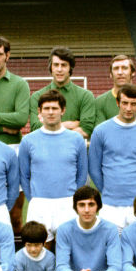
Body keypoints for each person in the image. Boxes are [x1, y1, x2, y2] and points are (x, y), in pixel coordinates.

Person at [18, 89, 89, 244]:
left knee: (68, 254)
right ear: (40, 111)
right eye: (46, 108)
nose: (50, 112)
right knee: (40, 254)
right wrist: (34, 199)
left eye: (55, 108)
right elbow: (24, 175)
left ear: (62, 110)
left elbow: (82, 174)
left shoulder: (76, 139)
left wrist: (72, 199)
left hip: (68, 203)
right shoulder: (28, 140)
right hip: (39, 203)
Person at [88, 84, 136, 232]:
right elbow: (94, 168)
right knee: (112, 251)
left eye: (133, 104)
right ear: (117, 103)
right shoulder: (101, 131)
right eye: (125, 103)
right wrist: (107, 190)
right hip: (110, 204)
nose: (128, 108)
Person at [29, 46, 95, 139]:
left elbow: (86, 129)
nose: (59, 69)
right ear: (51, 67)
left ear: (70, 68)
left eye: (64, 65)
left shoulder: (85, 96)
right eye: (56, 65)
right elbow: (35, 128)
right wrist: (71, 124)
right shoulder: (37, 96)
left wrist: (49, 125)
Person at [93, 55, 136, 130]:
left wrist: (111, 127)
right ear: (110, 74)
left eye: (124, 68)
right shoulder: (100, 101)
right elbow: (101, 133)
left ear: (133, 73)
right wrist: (135, 124)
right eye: (116, 69)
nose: (120, 72)